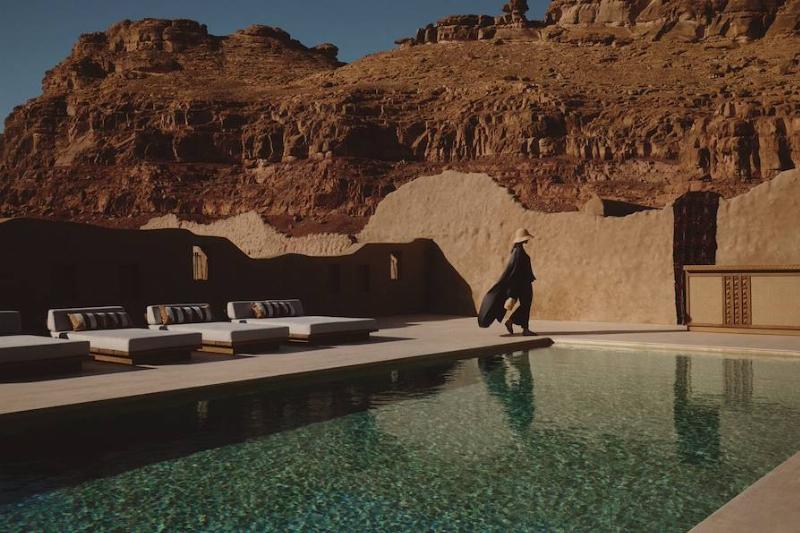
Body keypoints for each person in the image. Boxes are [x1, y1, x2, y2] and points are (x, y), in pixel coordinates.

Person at [478, 228, 537, 336]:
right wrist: (513, 290)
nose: (528, 240)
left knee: (525, 305)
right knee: (526, 305)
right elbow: (513, 272)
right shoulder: (518, 253)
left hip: (523, 283)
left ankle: (514, 323)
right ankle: (524, 328)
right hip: (522, 285)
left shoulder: (518, 251)